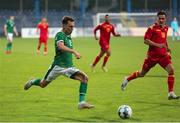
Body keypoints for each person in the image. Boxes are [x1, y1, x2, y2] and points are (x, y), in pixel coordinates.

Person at [24, 16, 95, 109]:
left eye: (73, 26)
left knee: (84, 78)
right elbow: (60, 46)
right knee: (42, 84)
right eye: (70, 26)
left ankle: (81, 103)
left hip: (69, 67)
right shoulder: (59, 35)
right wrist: (73, 51)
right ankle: (32, 81)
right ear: (64, 25)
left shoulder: (68, 37)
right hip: (57, 66)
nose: (72, 28)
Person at [121, 11, 180, 100]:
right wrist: (158, 45)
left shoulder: (166, 28)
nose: (161, 20)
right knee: (142, 74)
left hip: (163, 56)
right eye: (159, 18)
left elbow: (164, 40)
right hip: (152, 57)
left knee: (171, 70)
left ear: (165, 19)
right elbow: (146, 40)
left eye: (163, 18)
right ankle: (127, 79)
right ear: (157, 18)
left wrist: (167, 48)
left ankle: (170, 93)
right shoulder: (152, 28)